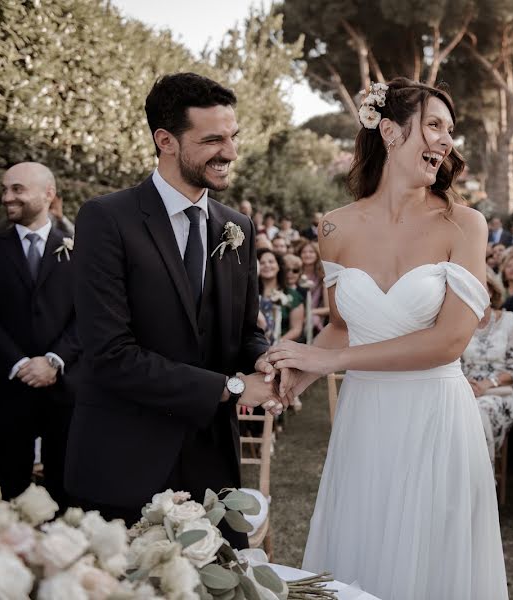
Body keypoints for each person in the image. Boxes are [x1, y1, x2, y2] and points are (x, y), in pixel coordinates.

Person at [266, 78, 508, 599]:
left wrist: (333, 361)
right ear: (392, 131)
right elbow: (340, 326)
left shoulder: (464, 224)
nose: (446, 142)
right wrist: (298, 376)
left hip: (435, 418)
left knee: (429, 567)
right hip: (365, 420)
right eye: (435, 126)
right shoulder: (333, 227)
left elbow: (448, 342)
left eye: (450, 131)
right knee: (364, 556)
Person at [65, 73, 284, 548]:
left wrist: (264, 359)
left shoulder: (236, 227)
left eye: (233, 137)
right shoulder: (107, 219)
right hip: (125, 461)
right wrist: (230, 387)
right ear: (165, 141)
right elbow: (110, 354)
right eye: (212, 140)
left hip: (212, 468)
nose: (229, 152)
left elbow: (244, 331)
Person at [0, 162, 79, 505]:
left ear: (48, 194)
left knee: (65, 485)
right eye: (5, 189)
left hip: (64, 387)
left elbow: (88, 316)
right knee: (13, 485)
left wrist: (54, 360)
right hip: (8, 387)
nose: (6, 197)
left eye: (17, 189)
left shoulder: (79, 250)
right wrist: (20, 363)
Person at [461, 277, 513, 464]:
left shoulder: (512, 321)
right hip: (464, 390)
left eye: (481, 287)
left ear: (491, 291)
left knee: (477, 413)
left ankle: (483, 477)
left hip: (500, 393)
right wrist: (466, 387)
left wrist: (485, 385)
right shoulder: (457, 324)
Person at [258, 248, 304, 343]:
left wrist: (276, 343)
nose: (267, 265)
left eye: (271, 262)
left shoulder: (292, 295)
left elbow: (296, 329)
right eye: (262, 263)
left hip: (280, 348)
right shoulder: (251, 295)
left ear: (279, 266)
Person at [299, 241, 330, 336]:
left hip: (312, 317)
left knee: (313, 320)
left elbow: (328, 309)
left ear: (317, 255)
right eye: (304, 252)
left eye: (311, 252)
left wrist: (310, 312)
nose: (307, 254)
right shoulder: (295, 275)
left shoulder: (322, 278)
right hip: (295, 315)